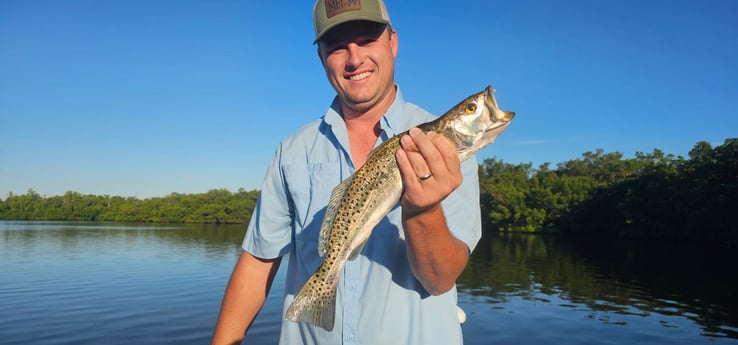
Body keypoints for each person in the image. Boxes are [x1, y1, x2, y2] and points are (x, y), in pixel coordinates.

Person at [212, 0, 482, 344]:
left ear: (393, 42)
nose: (354, 59)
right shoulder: (291, 152)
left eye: (367, 39)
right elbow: (257, 262)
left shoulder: (443, 150)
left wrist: (423, 210)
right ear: (321, 57)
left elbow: (440, 279)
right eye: (338, 46)